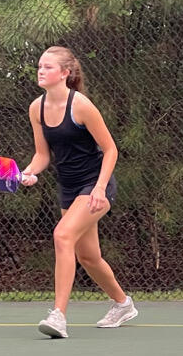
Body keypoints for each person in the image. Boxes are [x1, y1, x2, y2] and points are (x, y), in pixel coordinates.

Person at [19, 46, 137, 339]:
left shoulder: (82, 106)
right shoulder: (37, 108)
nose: (41, 71)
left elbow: (111, 150)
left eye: (47, 67)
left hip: (96, 184)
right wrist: (29, 172)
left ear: (64, 74)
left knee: (62, 235)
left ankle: (58, 315)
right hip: (69, 187)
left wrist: (99, 188)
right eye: (39, 66)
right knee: (88, 256)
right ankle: (123, 304)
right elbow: (42, 155)